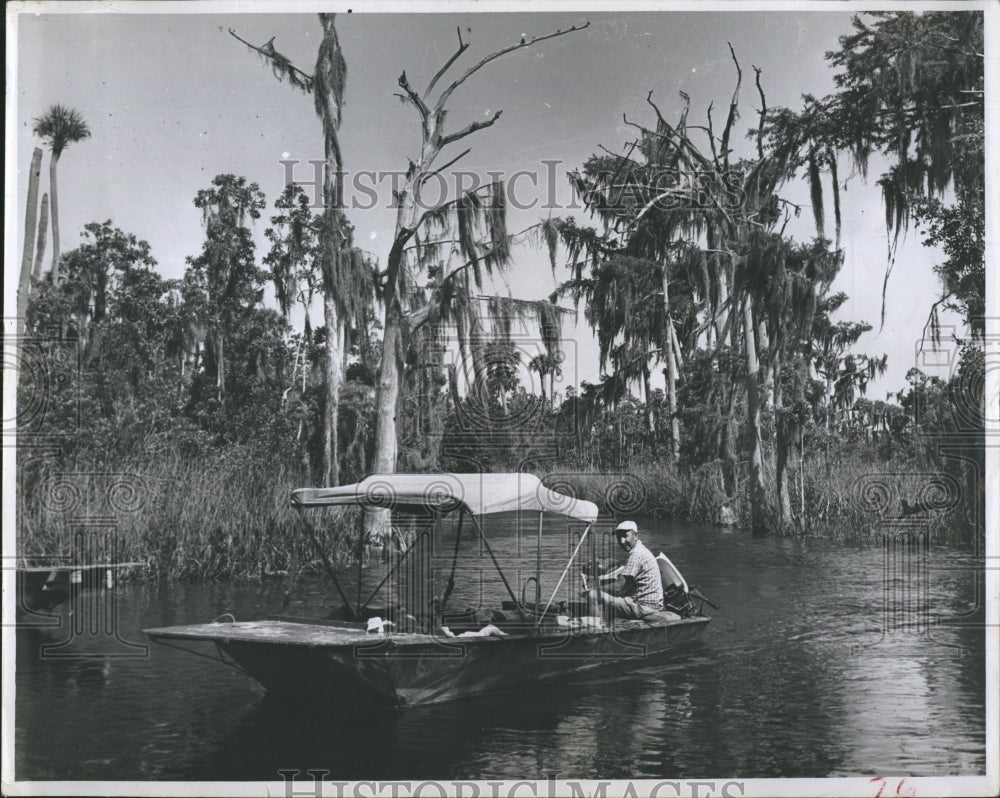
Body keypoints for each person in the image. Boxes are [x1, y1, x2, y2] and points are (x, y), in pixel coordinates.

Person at [583, 520, 664, 620]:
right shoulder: (642, 550)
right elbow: (624, 584)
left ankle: (597, 630)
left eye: (625, 536)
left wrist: (596, 588)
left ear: (635, 536)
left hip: (644, 607)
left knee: (593, 595)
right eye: (618, 537)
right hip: (652, 604)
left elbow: (618, 588)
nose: (621, 541)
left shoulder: (636, 555)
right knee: (608, 594)